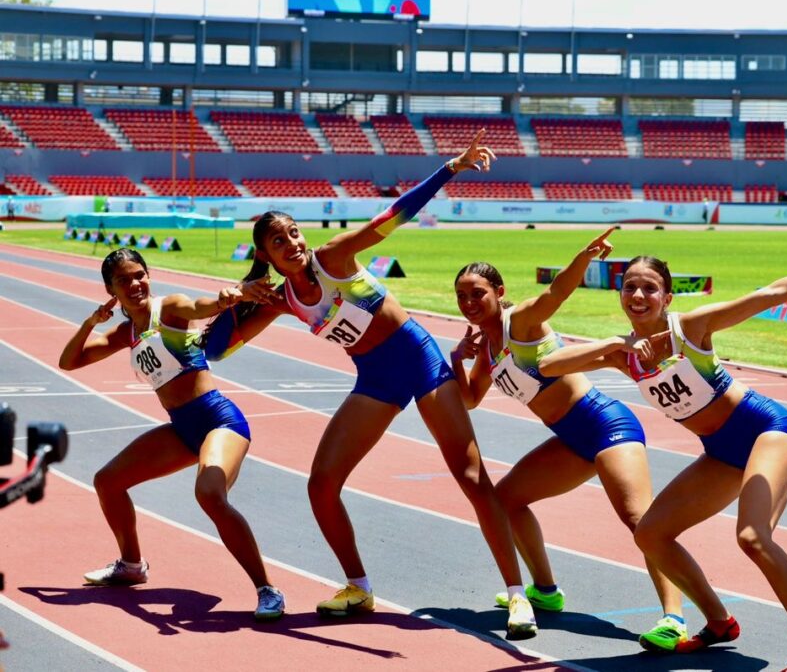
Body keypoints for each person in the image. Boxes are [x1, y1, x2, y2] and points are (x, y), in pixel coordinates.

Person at [211, 131, 538, 638]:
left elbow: (392, 217)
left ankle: (518, 597)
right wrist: (234, 297)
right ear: (265, 255)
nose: (292, 244)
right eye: (279, 242)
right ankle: (358, 586)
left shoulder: (332, 257)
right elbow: (216, 349)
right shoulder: (280, 299)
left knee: (471, 477)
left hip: (419, 359)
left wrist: (451, 167)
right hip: (376, 378)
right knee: (321, 483)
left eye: (294, 233)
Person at [537, 238, 787, 671]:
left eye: (649, 288)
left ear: (667, 298)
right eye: (630, 287)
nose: (638, 296)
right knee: (651, 534)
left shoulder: (690, 329)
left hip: (766, 431)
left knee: (753, 537)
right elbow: (549, 366)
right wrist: (616, 344)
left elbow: (773, 293)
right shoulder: (623, 354)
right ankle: (720, 622)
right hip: (721, 452)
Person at [452, 229, 686, 650]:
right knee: (505, 502)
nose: (469, 303)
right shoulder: (485, 350)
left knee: (641, 522)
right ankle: (545, 591)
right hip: (570, 439)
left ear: (499, 293)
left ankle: (675, 618)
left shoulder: (521, 321)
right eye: (462, 296)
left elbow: (556, 292)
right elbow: (468, 399)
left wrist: (585, 256)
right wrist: (457, 359)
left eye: (478, 294)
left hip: (606, 425)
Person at [58, 248, 285, 621]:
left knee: (209, 494)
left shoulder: (170, 308)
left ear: (149, 275)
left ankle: (268, 590)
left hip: (219, 421)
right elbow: (69, 361)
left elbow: (201, 306)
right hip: (182, 429)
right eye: (123, 280)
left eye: (139, 275)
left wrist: (230, 297)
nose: (135, 284)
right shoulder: (126, 332)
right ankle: (131, 565)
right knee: (108, 482)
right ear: (110, 290)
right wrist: (90, 322)